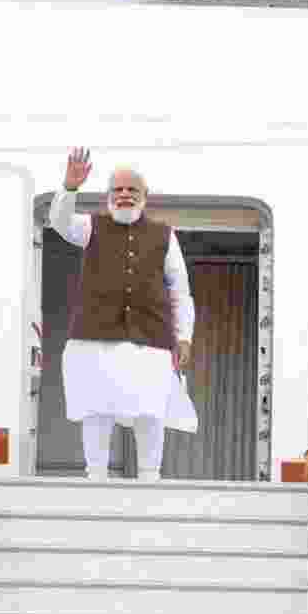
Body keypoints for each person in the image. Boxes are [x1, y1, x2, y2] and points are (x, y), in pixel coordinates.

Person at [50, 147, 196, 481]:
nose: (125, 195)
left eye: (132, 190)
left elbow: (180, 291)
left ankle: (149, 478)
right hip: (94, 338)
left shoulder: (164, 235)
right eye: (118, 190)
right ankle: (96, 478)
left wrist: (184, 336)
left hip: (151, 340)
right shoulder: (90, 226)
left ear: (146, 196)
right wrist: (69, 188)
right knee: (96, 409)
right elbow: (58, 222)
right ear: (108, 197)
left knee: (151, 410)